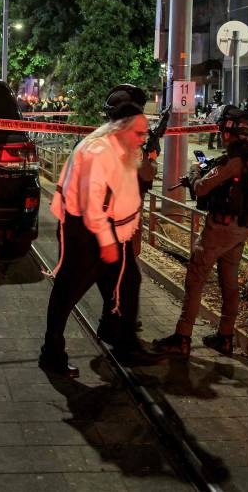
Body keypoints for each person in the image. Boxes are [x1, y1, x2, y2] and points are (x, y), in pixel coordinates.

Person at [39, 84, 165, 378]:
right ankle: (52, 353)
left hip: (104, 227)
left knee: (127, 281)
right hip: (83, 230)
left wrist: (149, 158)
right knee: (68, 292)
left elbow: (137, 183)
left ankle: (123, 341)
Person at [152, 105, 248, 359]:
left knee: (195, 279)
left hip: (220, 230)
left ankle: (182, 337)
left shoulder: (233, 161)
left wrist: (193, 173)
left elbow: (202, 188)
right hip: (240, 229)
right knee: (229, 282)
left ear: (228, 132)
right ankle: (225, 337)